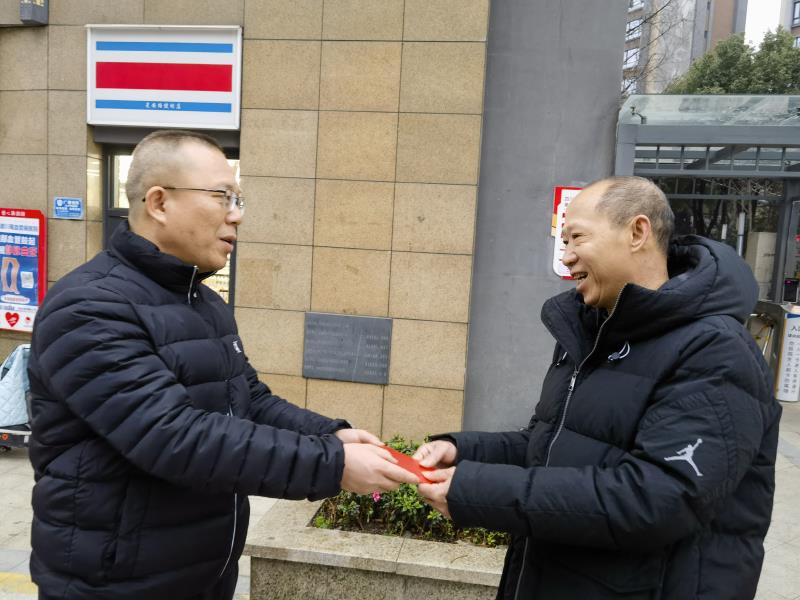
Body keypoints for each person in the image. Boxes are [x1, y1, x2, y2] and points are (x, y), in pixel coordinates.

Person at [27, 129, 418, 600]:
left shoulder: (203, 301)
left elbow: (248, 399)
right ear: (159, 202)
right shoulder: (90, 307)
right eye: (222, 196)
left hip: (201, 574)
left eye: (239, 199)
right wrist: (332, 465)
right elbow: (173, 436)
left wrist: (328, 434)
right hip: (116, 583)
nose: (236, 215)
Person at [414, 176, 781, 599]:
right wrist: (461, 451)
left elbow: (657, 498)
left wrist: (476, 490)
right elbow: (547, 444)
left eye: (577, 238)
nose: (566, 256)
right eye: (563, 241)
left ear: (637, 232)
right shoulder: (591, 334)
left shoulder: (715, 351)